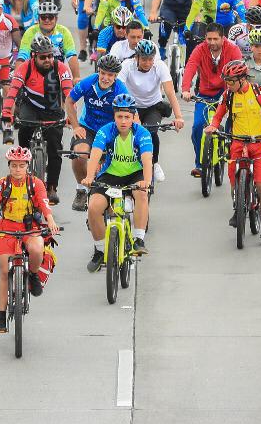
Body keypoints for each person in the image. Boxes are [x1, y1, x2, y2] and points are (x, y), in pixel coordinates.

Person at [0, 146, 61, 334]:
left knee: (37, 249)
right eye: (14, 165)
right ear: (9, 166)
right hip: (6, 227)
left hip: (29, 226)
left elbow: (44, 204)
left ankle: (32, 275)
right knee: (4, 270)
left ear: (27, 166)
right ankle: (1, 316)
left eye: (21, 165)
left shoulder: (36, 183)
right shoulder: (1, 184)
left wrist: (51, 221)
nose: (17, 169)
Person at [205, 60, 261, 244]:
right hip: (238, 144)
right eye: (226, 81)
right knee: (234, 182)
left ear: (242, 79)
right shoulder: (228, 95)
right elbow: (218, 116)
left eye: (231, 81)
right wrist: (212, 126)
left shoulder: (260, 91)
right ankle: (238, 208)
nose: (228, 84)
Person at [2, 34, 78, 204]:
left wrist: (72, 119)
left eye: (51, 56)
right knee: (23, 134)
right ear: (33, 56)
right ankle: (22, 174)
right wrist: (7, 112)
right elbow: (13, 91)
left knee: (55, 147)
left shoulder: (61, 69)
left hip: (53, 110)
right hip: (30, 107)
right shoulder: (24, 68)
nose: (48, 60)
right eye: (43, 57)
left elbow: (69, 96)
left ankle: (51, 187)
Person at [82, 93, 150, 264]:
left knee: (142, 194)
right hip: (109, 175)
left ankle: (139, 239)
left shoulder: (142, 133)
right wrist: (90, 177)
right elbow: (95, 154)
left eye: (127, 117)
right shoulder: (106, 131)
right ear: (114, 116)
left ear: (133, 116)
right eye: (119, 116)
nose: (123, 121)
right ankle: (99, 250)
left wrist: (146, 181)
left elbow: (147, 158)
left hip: (135, 175)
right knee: (93, 208)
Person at [67, 52, 130, 209]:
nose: (105, 78)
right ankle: (81, 190)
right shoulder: (89, 82)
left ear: (115, 76)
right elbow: (69, 100)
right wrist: (75, 126)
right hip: (88, 127)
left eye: (110, 75)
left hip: (110, 130)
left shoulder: (120, 89)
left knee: (106, 165)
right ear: (98, 71)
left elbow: (128, 115)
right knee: (79, 153)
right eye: (103, 73)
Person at [180, 21, 242, 177]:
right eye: (209, 39)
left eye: (215, 39)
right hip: (205, 94)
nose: (212, 43)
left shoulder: (233, 49)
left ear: (223, 38)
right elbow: (191, 66)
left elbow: (239, 71)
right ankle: (200, 164)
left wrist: (233, 91)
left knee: (233, 123)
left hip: (227, 92)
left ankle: (229, 146)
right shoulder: (200, 49)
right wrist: (186, 89)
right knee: (197, 127)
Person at [119, 38, 183, 182]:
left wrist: (178, 116)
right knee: (125, 131)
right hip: (131, 107)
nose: (147, 63)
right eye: (144, 59)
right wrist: (133, 114)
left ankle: (154, 163)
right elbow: (119, 90)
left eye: (150, 59)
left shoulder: (160, 66)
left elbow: (170, 92)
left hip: (153, 106)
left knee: (150, 131)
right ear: (136, 57)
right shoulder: (127, 66)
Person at [16, 0, 79, 77]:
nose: (47, 20)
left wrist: (76, 77)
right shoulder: (30, 32)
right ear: (38, 19)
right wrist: (17, 78)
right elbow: (22, 56)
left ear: (56, 19)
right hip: (35, 75)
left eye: (50, 17)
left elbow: (71, 56)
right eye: (43, 17)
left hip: (58, 75)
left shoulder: (64, 32)